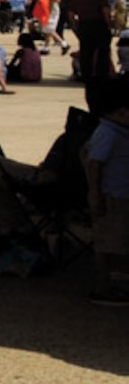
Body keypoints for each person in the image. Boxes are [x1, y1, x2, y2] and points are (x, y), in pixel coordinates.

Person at [83, 77, 129, 305]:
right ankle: (102, 288)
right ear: (123, 112)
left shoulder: (119, 131)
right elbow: (94, 164)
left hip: (120, 194)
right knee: (107, 241)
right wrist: (95, 195)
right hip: (111, 196)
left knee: (118, 240)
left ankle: (112, 281)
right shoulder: (108, 133)